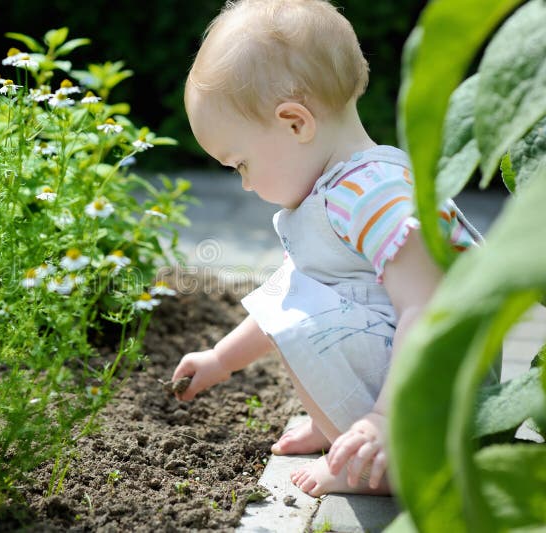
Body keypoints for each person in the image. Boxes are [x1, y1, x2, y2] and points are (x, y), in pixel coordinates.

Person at [171, 0, 484, 496]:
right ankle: (337, 422)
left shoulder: (374, 193)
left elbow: (431, 308)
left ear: (295, 123)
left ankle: (386, 462)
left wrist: (384, 418)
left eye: (241, 164)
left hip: (432, 400)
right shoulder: (340, 191)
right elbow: (294, 288)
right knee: (292, 290)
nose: (246, 185)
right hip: (410, 380)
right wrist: (222, 358)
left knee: (298, 309)